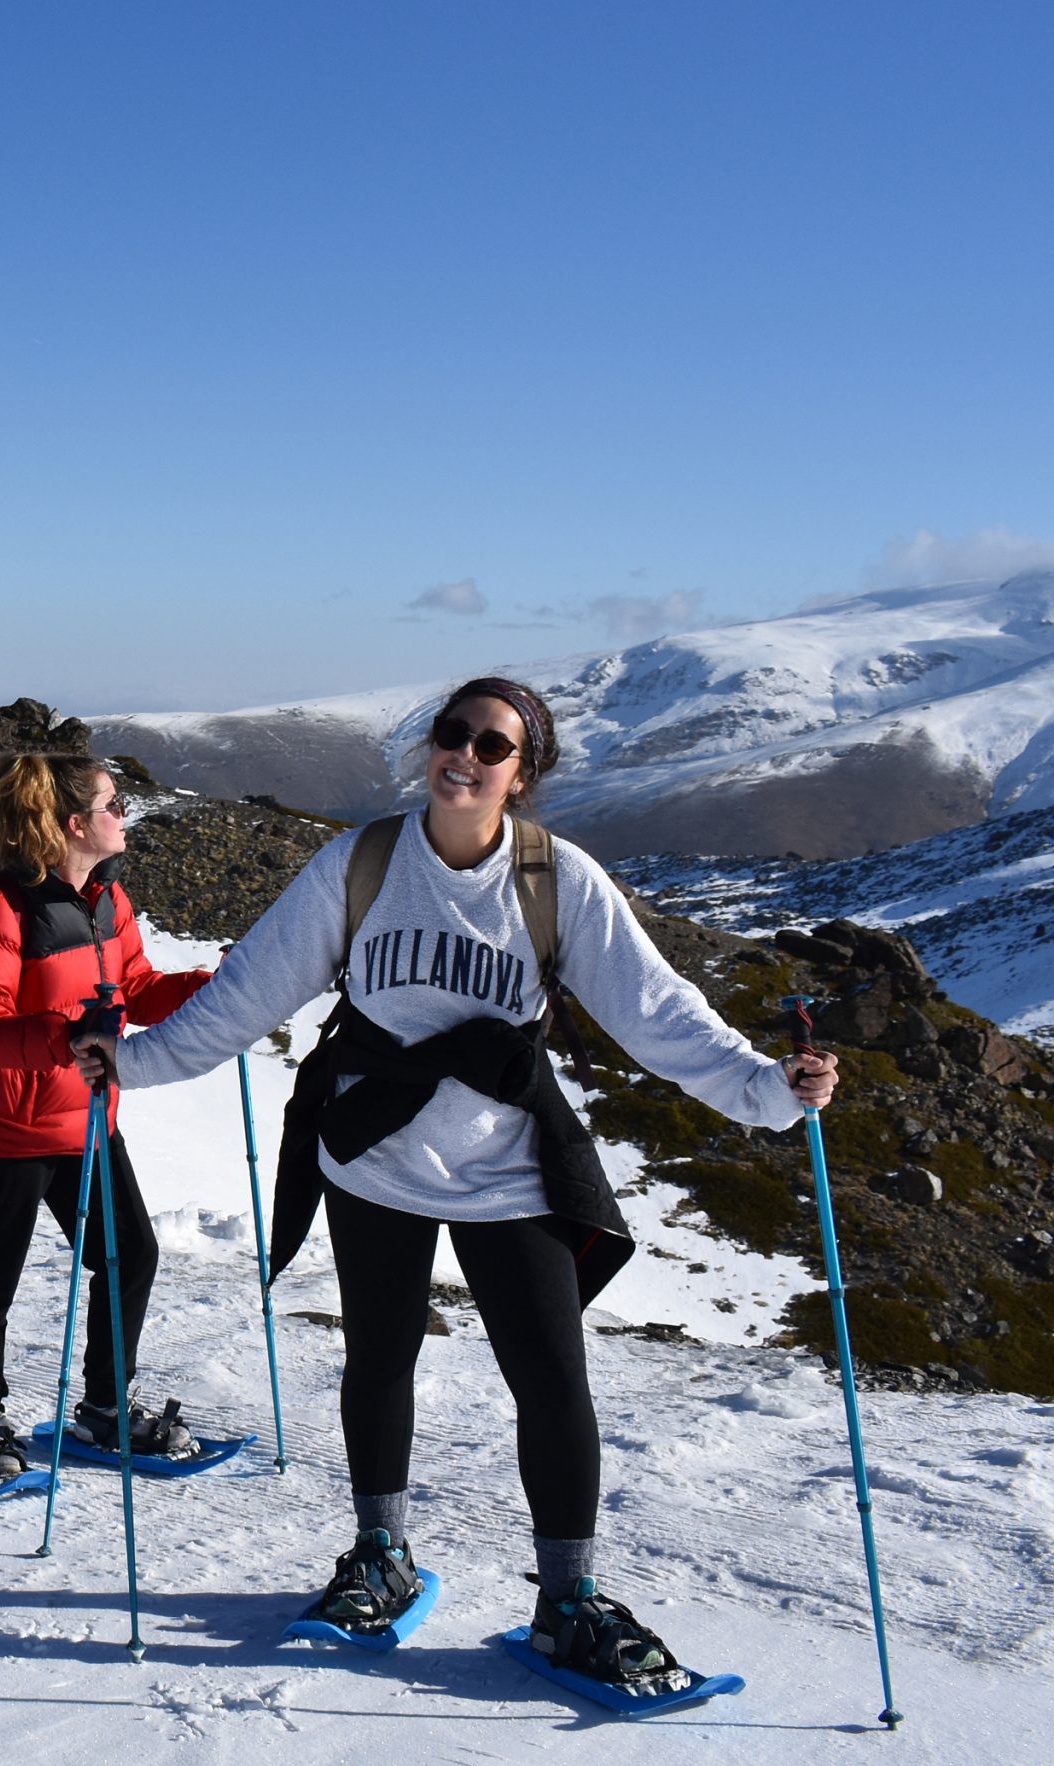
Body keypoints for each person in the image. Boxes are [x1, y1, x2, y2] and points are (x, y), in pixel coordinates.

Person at [76, 677, 839, 1694]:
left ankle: (567, 1600)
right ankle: (379, 1554)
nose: (464, 756)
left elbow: (657, 1012)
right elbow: (245, 994)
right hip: (374, 1155)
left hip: (504, 1163)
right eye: (451, 734)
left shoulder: (554, 880)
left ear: (522, 773)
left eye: (491, 745)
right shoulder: (362, 863)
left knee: (550, 1376)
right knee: (378, 1359)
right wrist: (125, 1064)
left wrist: (767, 1090)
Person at [0, 752, 216, 1485]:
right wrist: (65, 1034)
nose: (123, 815)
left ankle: (102, 1408)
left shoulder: (107, 901)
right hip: (2, 1127)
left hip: (85, 1117)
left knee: (129, 1255)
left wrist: (216, 990)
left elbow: (138, 988)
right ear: (71, 823)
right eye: (112, 804)